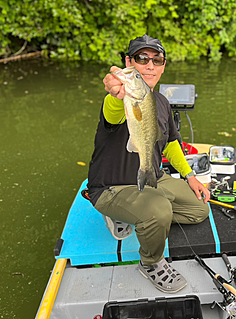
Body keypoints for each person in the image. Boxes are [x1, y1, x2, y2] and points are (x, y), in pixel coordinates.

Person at [86, 34, 210, 294]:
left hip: (151, 176)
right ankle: (151, 262)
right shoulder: (123, 97)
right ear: (129, 62)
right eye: (142, 58)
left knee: (199, 210)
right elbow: (113, 110)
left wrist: (190, 176)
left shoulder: (162, 102)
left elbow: (171, 143)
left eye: (157, 59)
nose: (150, 65)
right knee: (158, 210)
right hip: (112, 187)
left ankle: (147, 218)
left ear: (163, 65)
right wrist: (115, 93)